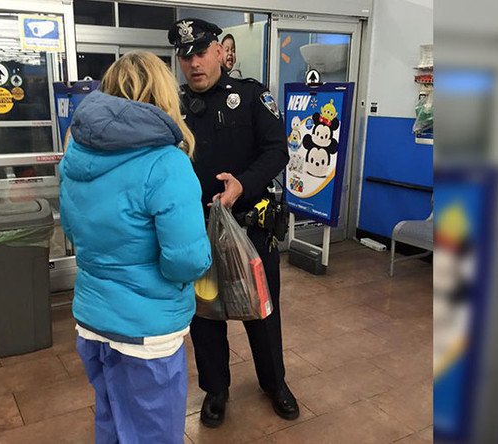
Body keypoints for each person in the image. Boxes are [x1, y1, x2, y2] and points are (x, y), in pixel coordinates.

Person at [58, 51, 212, 443]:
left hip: (92, 322)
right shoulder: (166, 163)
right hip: (147, 332)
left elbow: (74, 233)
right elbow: (187, 260)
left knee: (111, 421)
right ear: (162, 95)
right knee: (152, 433)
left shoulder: (76, 154)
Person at [167, 18, 300, 427]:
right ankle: (216, 391)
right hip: (196, 233)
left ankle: (274, 383)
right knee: (205, 316)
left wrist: (243, 185)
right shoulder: (171, 106)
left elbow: (278, 151)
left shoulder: (251, 96)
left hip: (249, 229)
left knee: (261, 310)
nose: (193, 63)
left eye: (201, 53)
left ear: (220, 54)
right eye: (184, 56)